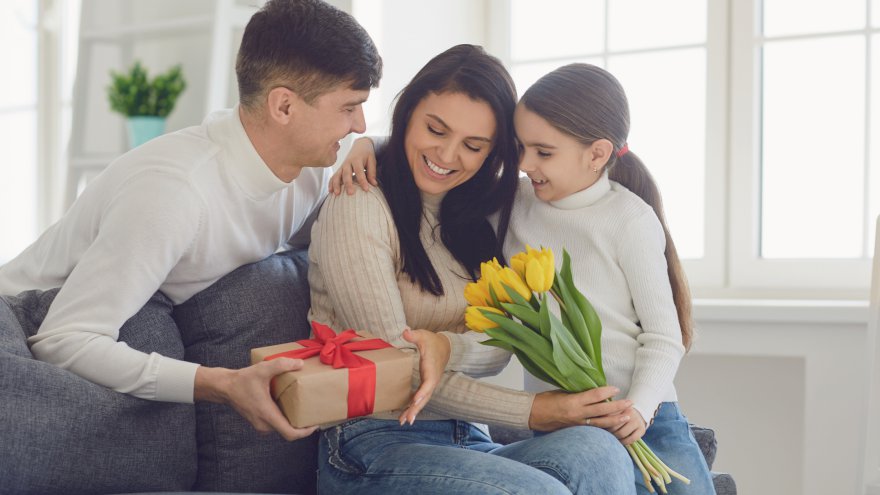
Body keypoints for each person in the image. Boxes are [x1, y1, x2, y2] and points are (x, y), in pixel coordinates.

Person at [0, 0, 419, 442]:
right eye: (348, 108)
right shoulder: (173, 192)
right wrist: (221, 384)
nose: (359, 123)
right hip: (19, 326)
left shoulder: (307, 171)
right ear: (283, 106)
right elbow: (62, 339)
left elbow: (322, 237)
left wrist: (375, 146)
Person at [308, 44, 634, 495]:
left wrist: (443, 347)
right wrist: (535, 410)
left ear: (493, 153)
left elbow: (498, 342)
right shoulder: (360, 203)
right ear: (407, 113)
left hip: (468, 440)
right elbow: (398, 368)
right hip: (371, 443)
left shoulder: (483, 215)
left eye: (473, 145)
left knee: (598, 451)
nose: (447, 154)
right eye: (435, 129)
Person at [508, 63, 715, 494]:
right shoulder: (512, 205)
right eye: (520, 147)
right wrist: (367, 147)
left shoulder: (629, 220)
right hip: (566, 426)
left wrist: (637, 410)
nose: (526, 163)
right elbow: (439, 164)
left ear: (597, 154)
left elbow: (664, 336)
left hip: (648, 420)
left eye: (544, 152)